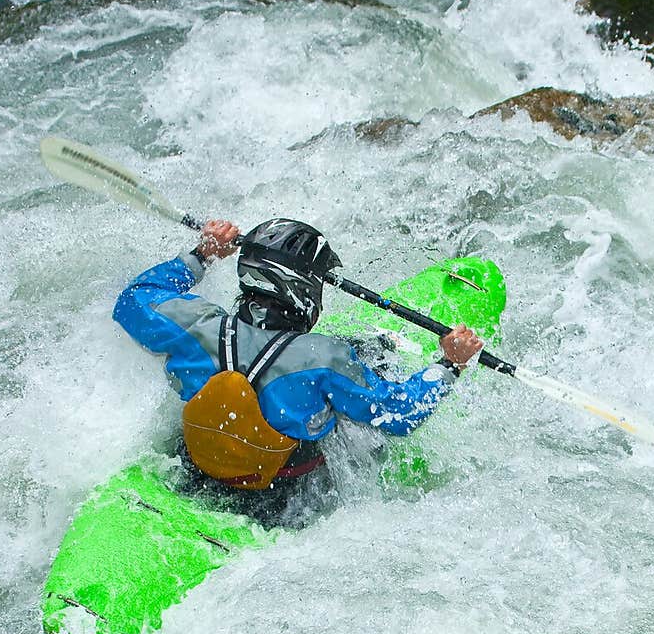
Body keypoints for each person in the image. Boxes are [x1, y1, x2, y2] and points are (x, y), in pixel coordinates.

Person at [113, 217, 484, 524]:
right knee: (371, 363)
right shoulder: (326, 358)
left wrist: (204, 254)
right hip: (285, 499)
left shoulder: (193, 323)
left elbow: (133, 300)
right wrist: (450, 363)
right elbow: (400, 414)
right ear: (303, 290)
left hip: (196, 470)